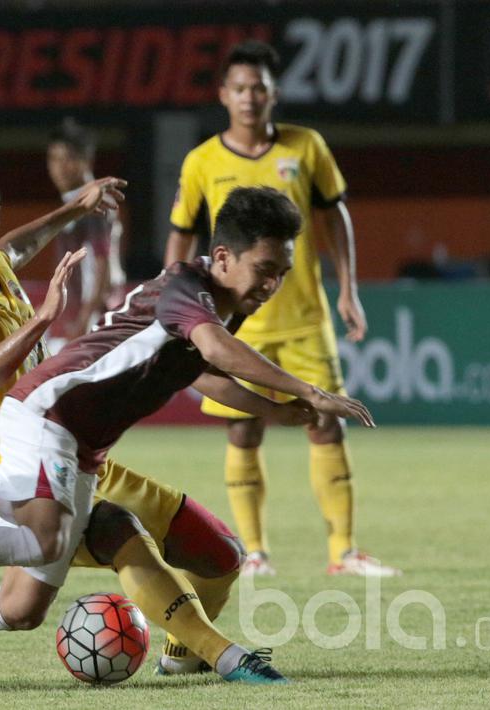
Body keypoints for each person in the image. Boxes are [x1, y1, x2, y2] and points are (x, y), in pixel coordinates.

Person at [0, 171, 374, 686]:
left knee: (204, 560)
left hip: (84, 447)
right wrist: (306, 390)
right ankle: (222, 656)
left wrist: (73, 208)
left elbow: (195, 364)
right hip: (24, 441)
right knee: (111, 535)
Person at [165, 40, 398, 577]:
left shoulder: (306, 147)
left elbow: (335, 217)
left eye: (260, 89)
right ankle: (254, 553)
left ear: (275, 94)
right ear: (224, 95)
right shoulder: (202, 161)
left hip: (304, 318)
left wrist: (348, 288)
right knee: (243, 430)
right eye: (241, 88)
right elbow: (180, 234)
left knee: (325, 424)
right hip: (231, 324)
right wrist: (175, 304)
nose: (250, 98)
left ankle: (344, 552)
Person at [42, 119, 125, 351]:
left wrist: (83, 321)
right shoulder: (75, 202)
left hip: (96, 322)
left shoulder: (93, 204)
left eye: (66, 158)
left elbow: (102, 265)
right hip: (82, 320)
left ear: (85, 160)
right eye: (53, 159)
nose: (58, 167)